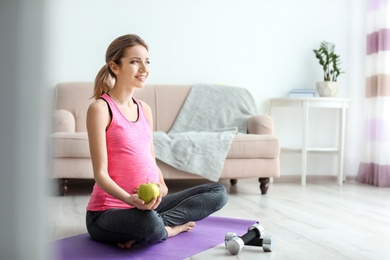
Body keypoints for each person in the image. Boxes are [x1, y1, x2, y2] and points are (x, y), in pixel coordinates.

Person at [85, 34, 228, 248]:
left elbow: (150, 158)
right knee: (149, 223)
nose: (144, 68)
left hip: (147, 207)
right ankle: (168, 230)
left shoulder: (145, 109)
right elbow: (101, 174)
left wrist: (162, 187)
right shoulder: (100, 109)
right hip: (107, 213)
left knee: (218, 193)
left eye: (147, 61)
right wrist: (128, 199)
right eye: (135, 62)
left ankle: (144, 232)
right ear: (115, 66)